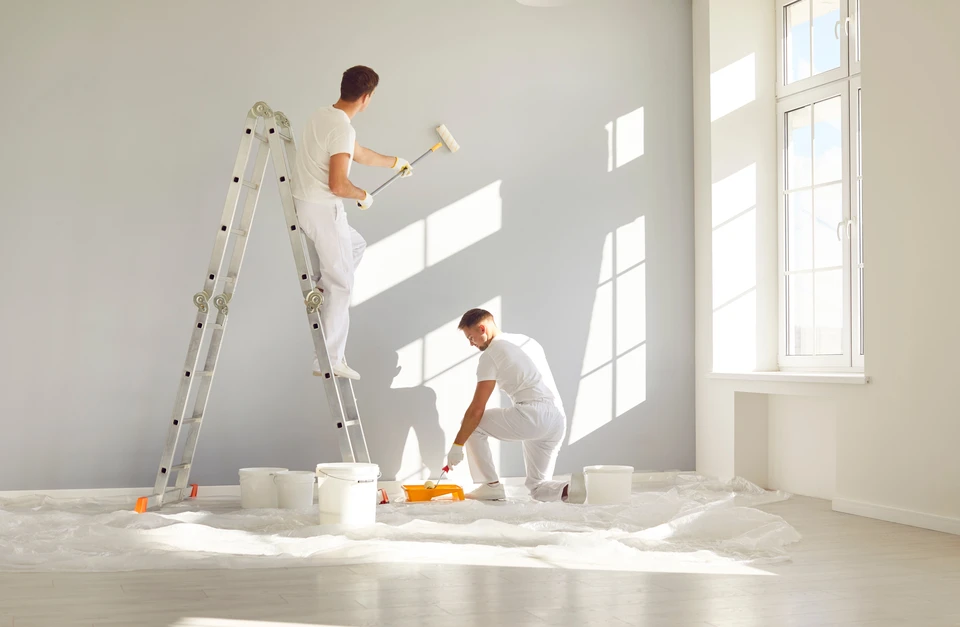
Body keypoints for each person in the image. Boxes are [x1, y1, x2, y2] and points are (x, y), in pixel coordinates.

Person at [292, 65, 412, 380]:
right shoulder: (342, 128)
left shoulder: (324, 116)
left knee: (356, 245)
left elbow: (356, 153)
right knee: (342, 285)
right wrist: (362, 195)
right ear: (367, 97)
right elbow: (337, 185)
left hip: (307, 204)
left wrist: (394, 162)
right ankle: (328, 360)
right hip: (323, 209)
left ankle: (322, 285)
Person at [445, 308, 585, 503]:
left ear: (482, 328)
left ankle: (491, 485)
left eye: (471, 337)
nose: (471, 343)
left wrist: (457, 445)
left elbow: (477, 410)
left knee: (472, 424)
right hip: (557, 418)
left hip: (532, 415)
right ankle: (577, 489)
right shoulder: (528, 341)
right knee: (538, 486)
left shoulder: (490, 354)